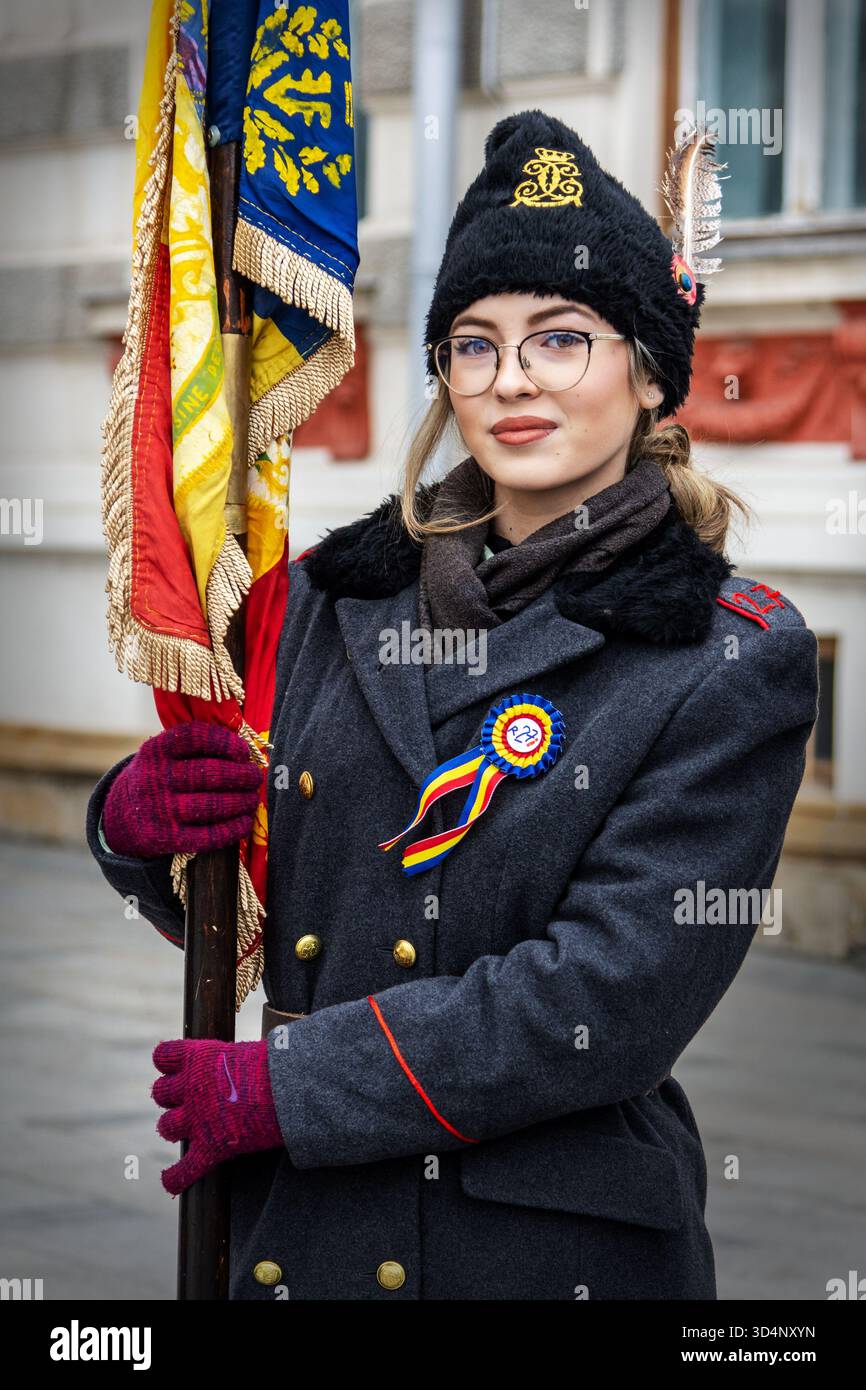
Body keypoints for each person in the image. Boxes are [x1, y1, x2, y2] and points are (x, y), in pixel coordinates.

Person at [87, 109, 819, 1301]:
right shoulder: (332, 593)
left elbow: (611, 993)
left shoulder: (723, 653)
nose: (511, 378)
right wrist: (132, 826)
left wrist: (293, 1085)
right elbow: (261, 894)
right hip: (302, 1236)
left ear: (646, 373)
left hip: (538, 1251)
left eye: (560, 338)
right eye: (472, 344)